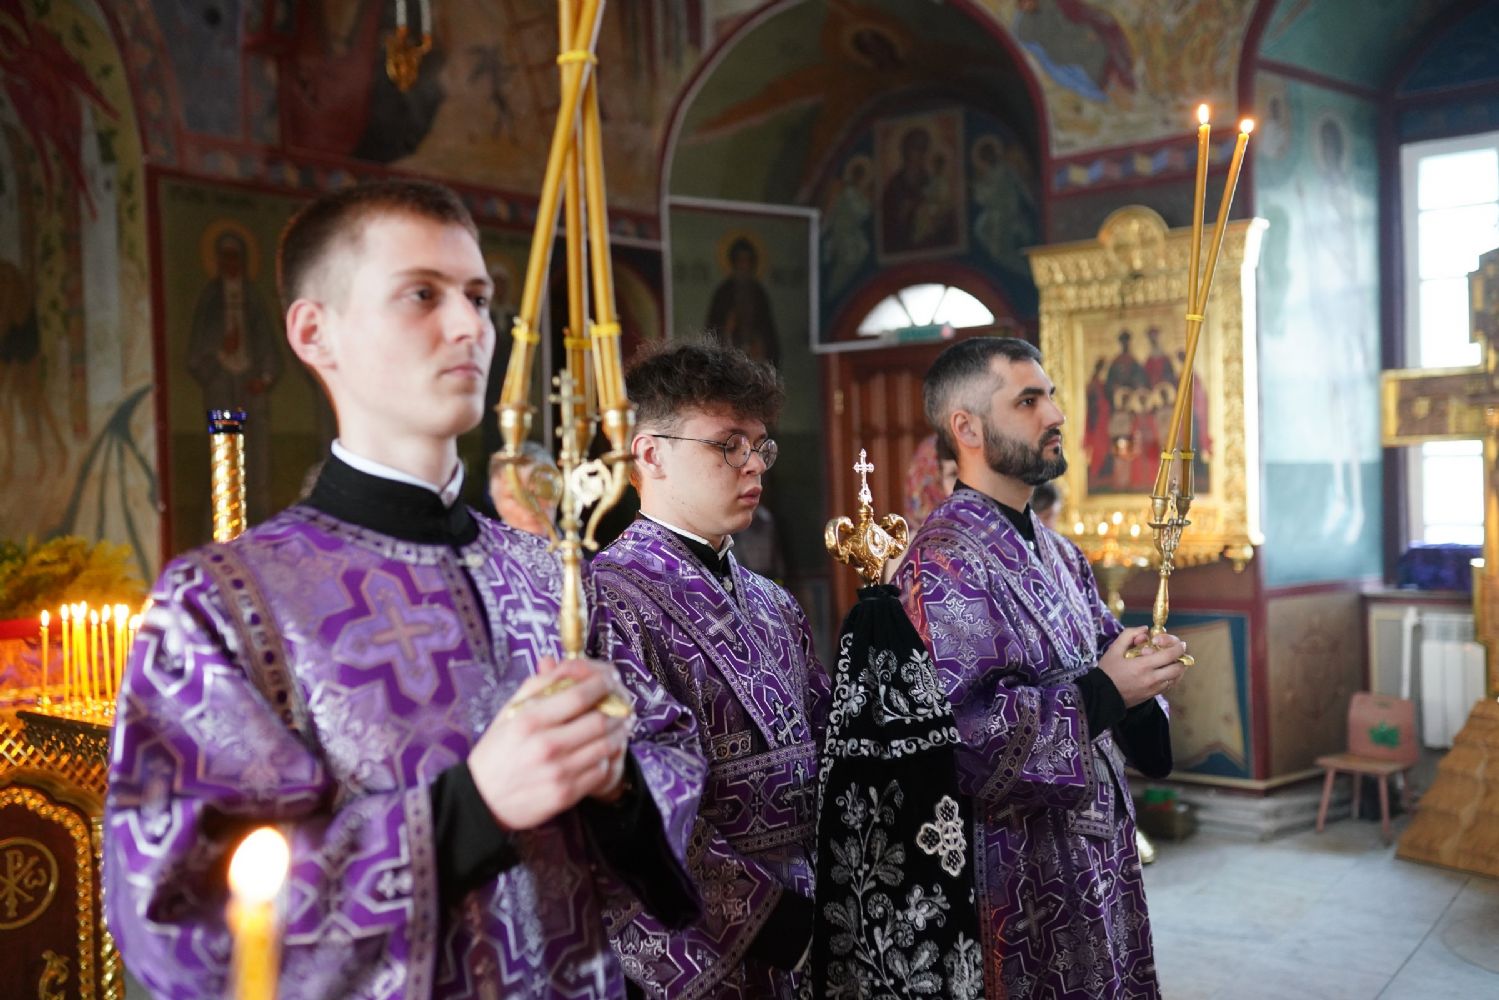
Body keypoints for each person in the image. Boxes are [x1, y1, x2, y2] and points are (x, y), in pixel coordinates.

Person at [104, 180, 702, 1000]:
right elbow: (177, 911)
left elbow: (669, 754)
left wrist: (617, 784)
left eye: (478, 298)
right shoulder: (221, 604)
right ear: (314, 332)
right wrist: (467, 809)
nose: (470, 327)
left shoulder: (548, 574)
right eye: (422, 294)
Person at [896, 336, 1187, 998]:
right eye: (1028, 401)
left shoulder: (1061, 553)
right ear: (967, 428)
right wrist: (1107, 690)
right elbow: (962, 737)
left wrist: (1142, 680)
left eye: (1051, 396)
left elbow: (1112, 669)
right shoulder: (942, 560)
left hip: (1097, 854)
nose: (1055, 415)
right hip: (1019, 873)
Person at [593, 340, 830, 999]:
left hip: (810, 911)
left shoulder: (775, 604)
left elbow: (826, 740)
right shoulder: (603, 602)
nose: (753, 464)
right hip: (698, 943)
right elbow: (632, 797)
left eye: (759, 446)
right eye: (728, 444)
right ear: (650, 454)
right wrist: (769, 916)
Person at [488, 440, 561, 538]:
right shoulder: (483, 546)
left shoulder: (579, 543)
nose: (529, 506)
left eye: (537, 491)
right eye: (515, 496)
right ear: (495, 499)